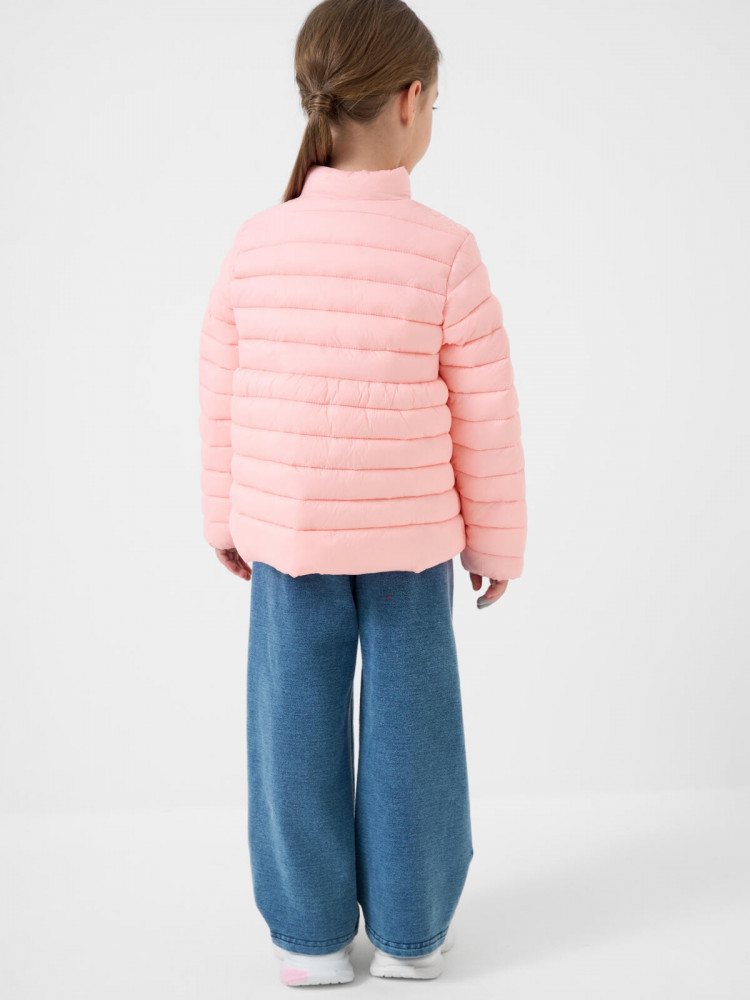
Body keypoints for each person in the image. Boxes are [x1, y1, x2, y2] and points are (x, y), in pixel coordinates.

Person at [198, 0, 527, 986]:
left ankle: (307, 939)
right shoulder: (445, 248)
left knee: (290, 725)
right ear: (411, 99)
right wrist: (496, 545)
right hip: (410, 542)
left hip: (287, 535)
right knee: (414, 725)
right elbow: (486, 411)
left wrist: (224, 516)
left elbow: (220, 389)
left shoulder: (256, 241)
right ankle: (412, 935)